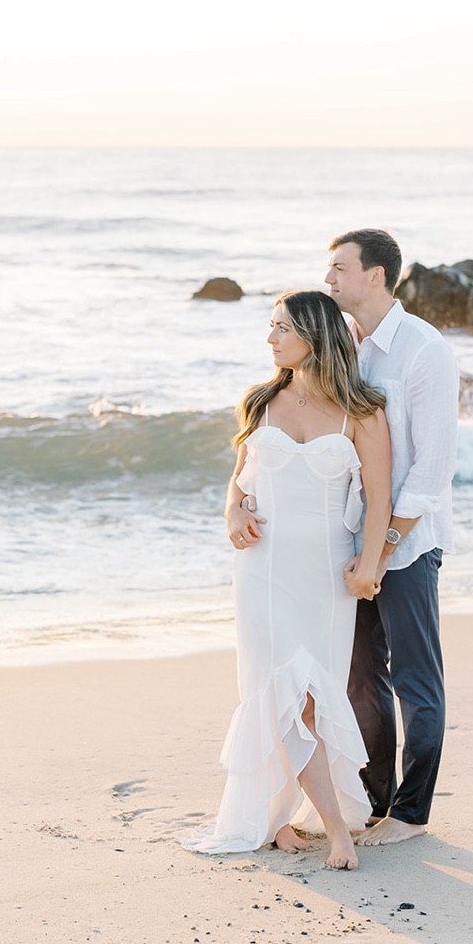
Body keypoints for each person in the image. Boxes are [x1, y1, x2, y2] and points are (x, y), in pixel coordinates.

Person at [183, 290, 392, 871]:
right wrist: (233, 512)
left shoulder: (363, 413)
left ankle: (283, 818)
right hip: (262, 570)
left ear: (313, 336)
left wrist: (369, 565)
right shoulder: (261, 400)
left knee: (313, 698)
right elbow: (239, 479)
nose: (269, 338)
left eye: (280, 328)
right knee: (282, 695)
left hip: (325, 576)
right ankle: (334, 831)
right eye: (270, 326)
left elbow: (380, 502)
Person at [329, 228, 459, 845]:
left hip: (408, 543)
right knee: (359, 676)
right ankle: (373, 802)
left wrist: (383, 549)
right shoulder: (346, 347)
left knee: (415, 677)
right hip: (356, 541)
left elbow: (431, 470)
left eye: (339, 268)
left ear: (375, 275)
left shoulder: (422, 350)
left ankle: (412, 813)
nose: (330, 280)